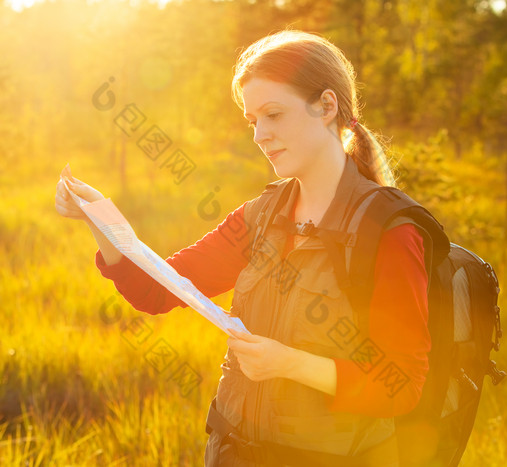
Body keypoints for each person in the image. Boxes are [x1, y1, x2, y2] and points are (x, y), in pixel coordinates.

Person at [56, 30, 431, 467]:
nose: (260, 136)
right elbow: (155, 290)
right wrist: (98, 218)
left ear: (327, 106)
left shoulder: (387, 231)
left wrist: (287, 363)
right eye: (254, 121)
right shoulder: (259, 217)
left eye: (273, 114)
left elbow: (400, 385)